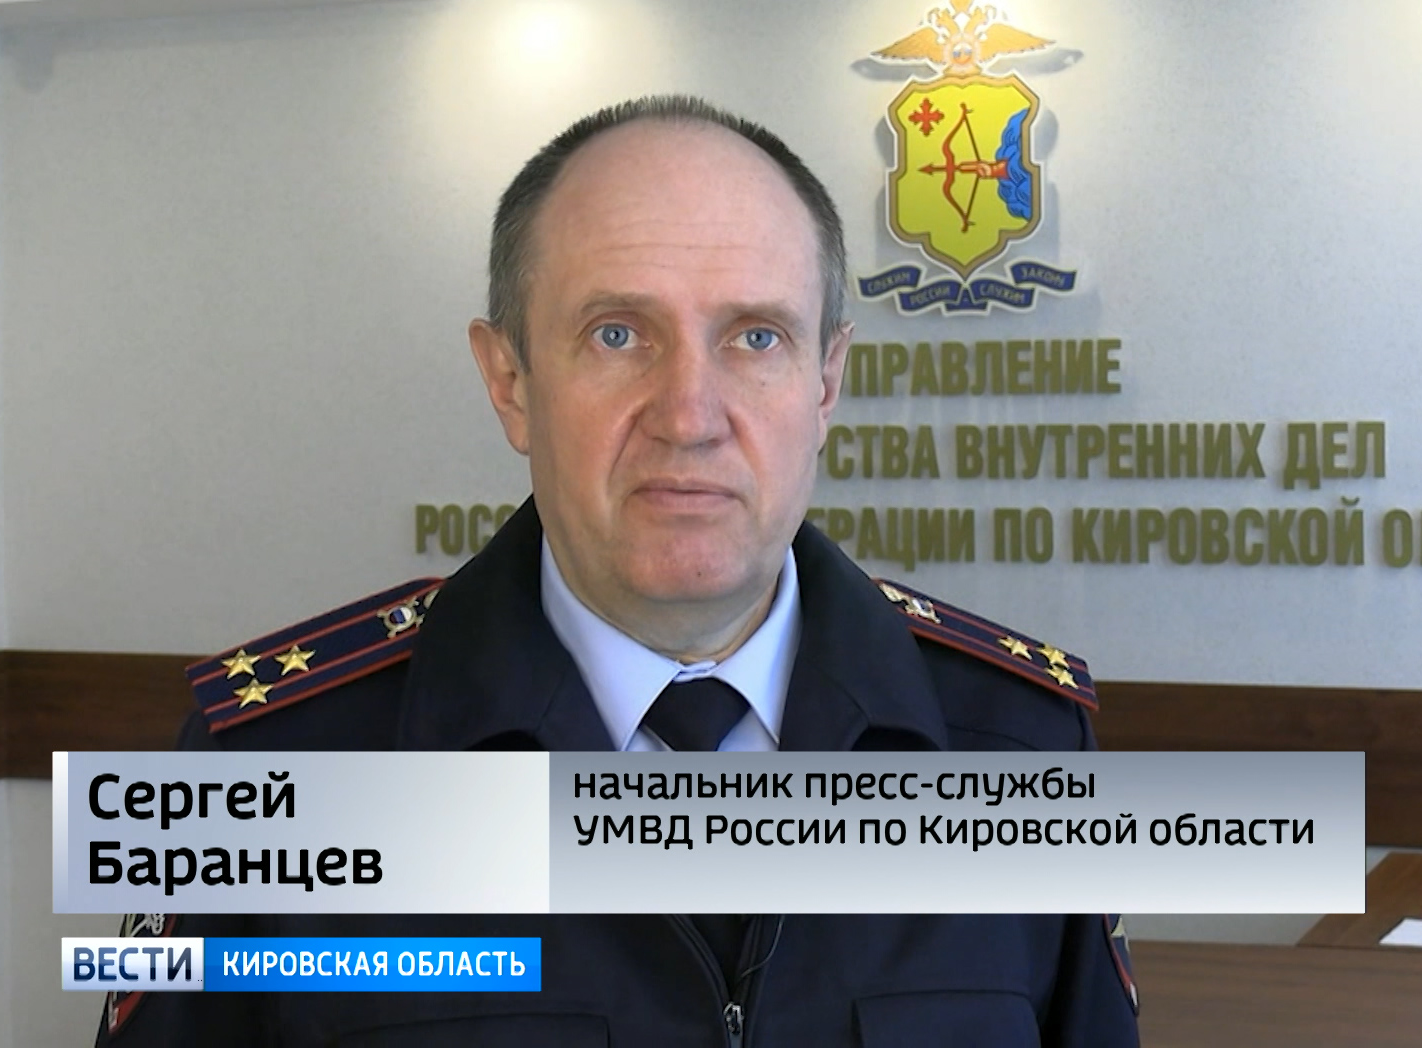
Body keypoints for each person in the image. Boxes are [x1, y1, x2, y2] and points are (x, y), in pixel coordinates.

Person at [96, 95, 1139, 1047]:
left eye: (756, 337)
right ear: (510, 381)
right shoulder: (265, 766)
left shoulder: (1025, 744)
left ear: (826, 383)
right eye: (616, 333)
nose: (689, 417)